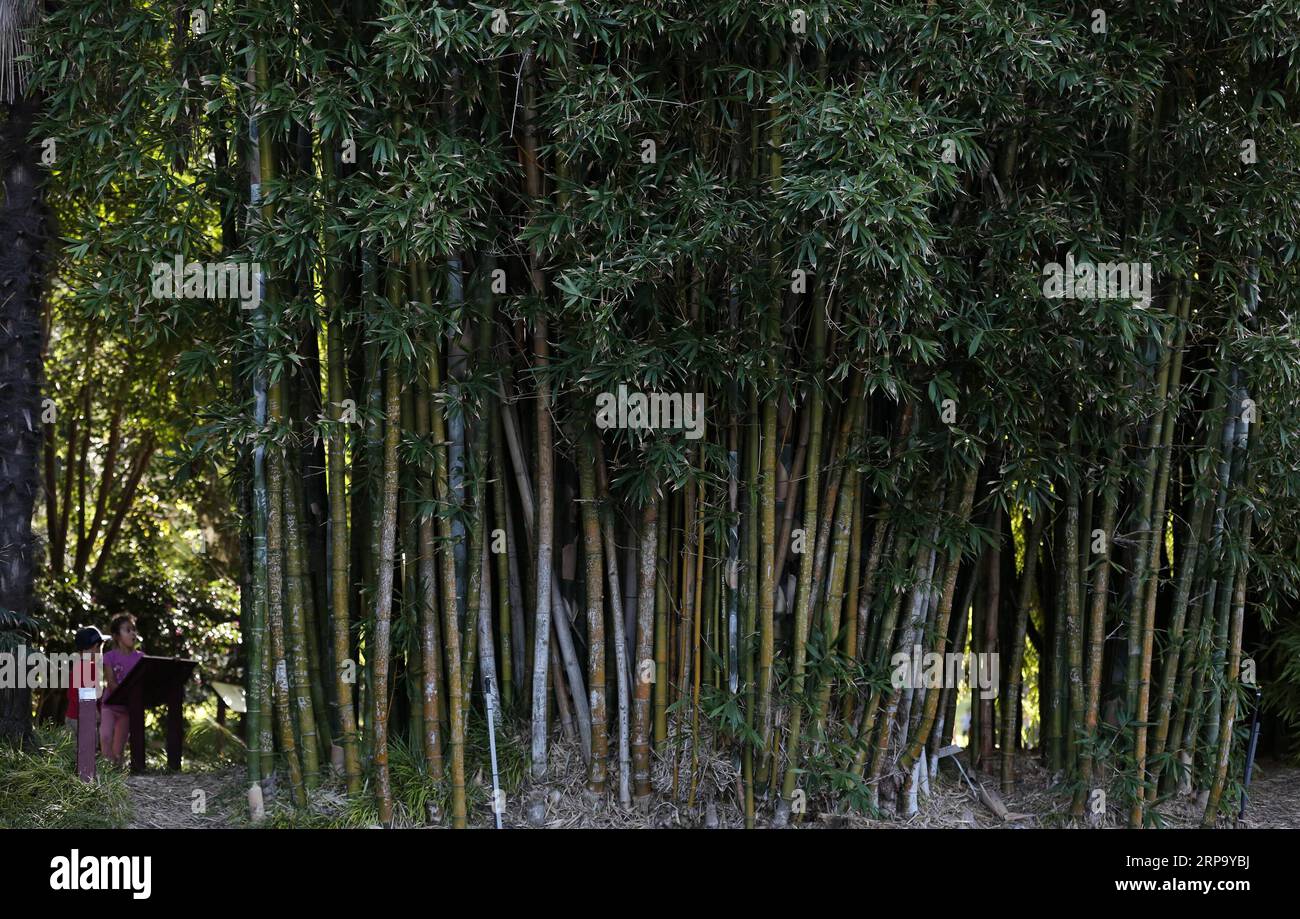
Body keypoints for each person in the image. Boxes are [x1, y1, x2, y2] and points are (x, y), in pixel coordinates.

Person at [101, 614, 143, 766]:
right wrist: (127, 694)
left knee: (119, 748)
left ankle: (116, 773)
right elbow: (111, 682)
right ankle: (106, 770)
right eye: (128, 630)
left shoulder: (141, 658)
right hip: (110, 705)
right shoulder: (109, 657)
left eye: (134, 630)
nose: (133, 633)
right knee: (105, 737)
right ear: (117, 636)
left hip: (127, 710)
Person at [65, 626, 106, 732]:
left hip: (71, 716)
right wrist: (96, 713)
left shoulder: (77, 666)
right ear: (96, 646)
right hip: (84, 720)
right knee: (88, 748)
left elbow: (72, 693)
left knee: (73, 748)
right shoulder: (90, 667)